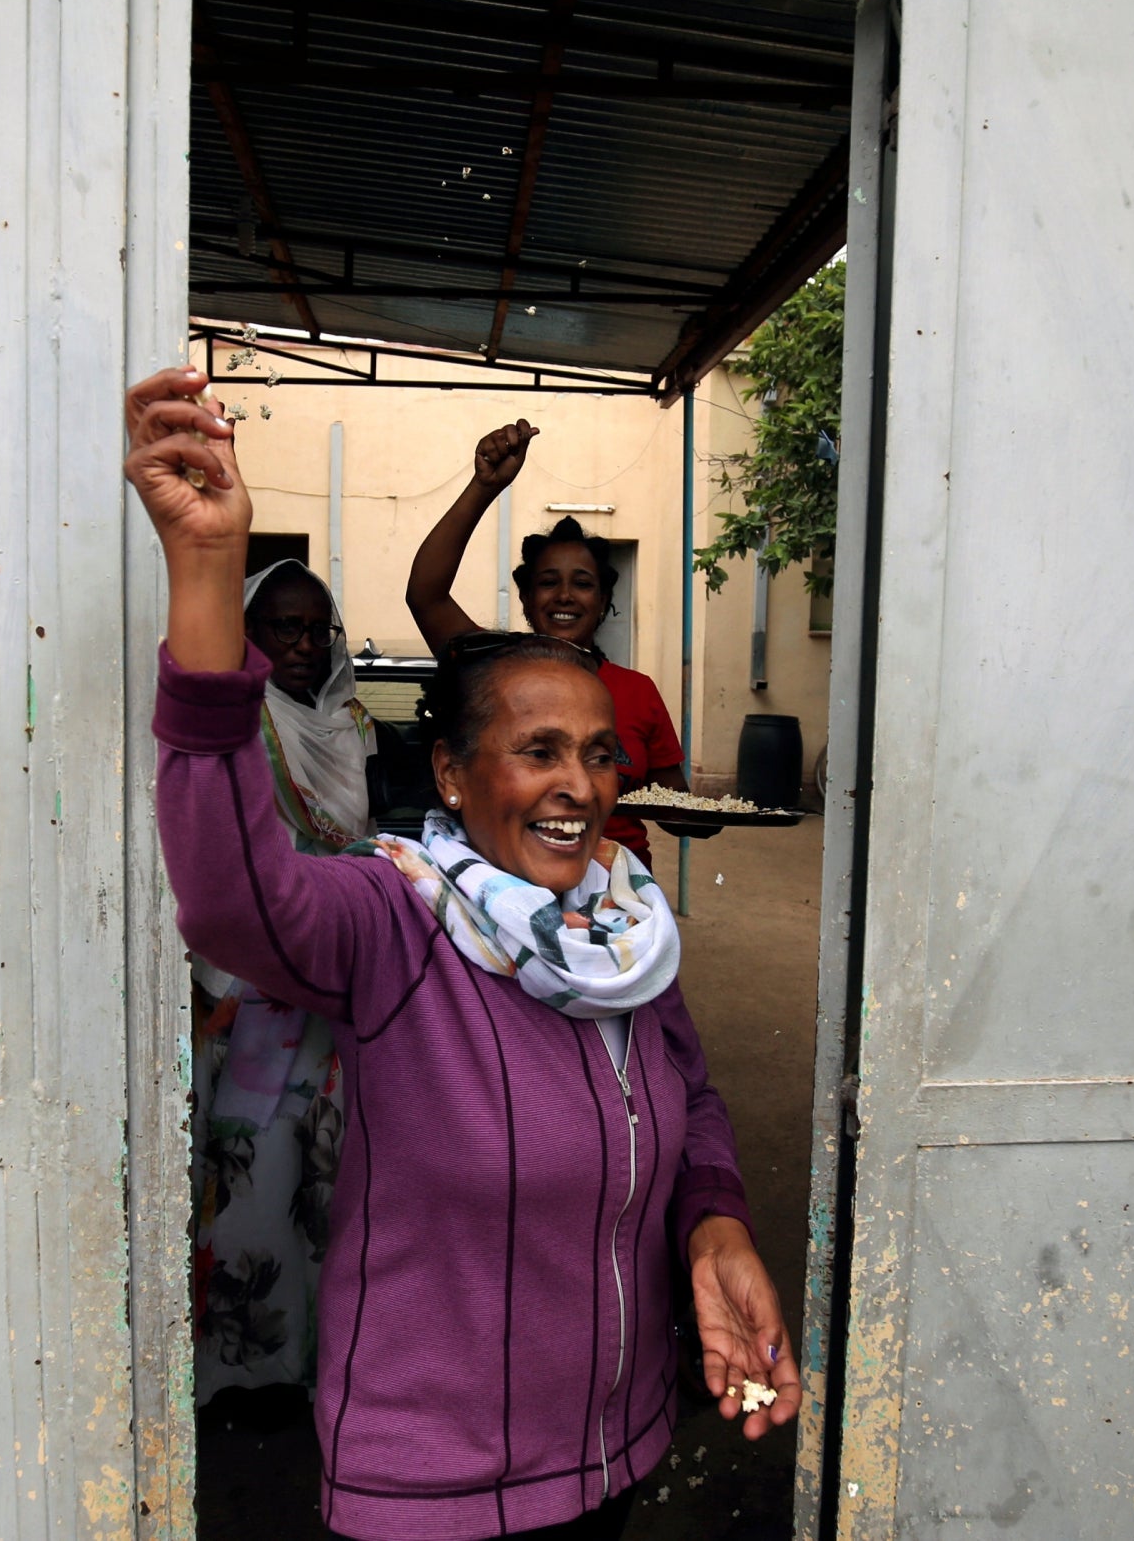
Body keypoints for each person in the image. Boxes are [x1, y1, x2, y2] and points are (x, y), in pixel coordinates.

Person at [128, 368, 799, 1541]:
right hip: (433, 1478)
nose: (577, 783)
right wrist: (205, 578)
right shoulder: (394, 918)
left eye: (595, 753)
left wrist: (715, 1218)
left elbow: (686, 1093)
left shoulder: (627, 924)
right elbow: (236, 900)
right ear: (450, 773)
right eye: (535, 749)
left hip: (617, 1443)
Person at [192, 560, 372, 1403]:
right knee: (254, 1172)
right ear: (250, 634)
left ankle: (316, 1364)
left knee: (328, 1171)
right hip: (255, 983)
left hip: (338, 972)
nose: (304, 645)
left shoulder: (350, 722)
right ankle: (247, 1370)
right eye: (284, 628)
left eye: (317, 629)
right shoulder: (241, 720)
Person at [404, 420, 692, 862]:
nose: (564, 596)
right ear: (524, 596)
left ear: (603, 600)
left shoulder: (638, 691)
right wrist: (483, 487)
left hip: (620, 896)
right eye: (548, 582)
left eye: (582, 583)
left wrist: (723, 815)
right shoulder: (494, 670)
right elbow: (425, 594)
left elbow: (679, 808)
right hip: (514, 883)